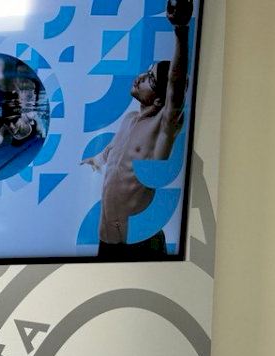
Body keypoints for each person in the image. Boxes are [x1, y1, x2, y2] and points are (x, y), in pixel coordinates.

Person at [81, 0, 192, 260]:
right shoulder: (129, 119)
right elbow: (115, 150)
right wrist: (98, 158)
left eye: (150, 79)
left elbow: (176, 85)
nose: (141, 77)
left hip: (139, 241)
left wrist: (180, 30)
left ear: (159, 100)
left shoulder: (162, 126)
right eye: (146, 72)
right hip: (109, 238)